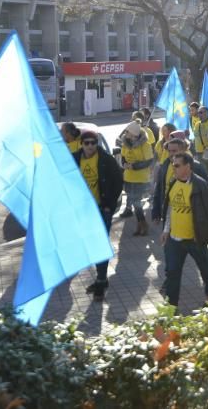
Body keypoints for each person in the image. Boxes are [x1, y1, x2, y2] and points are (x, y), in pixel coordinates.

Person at [159, 151, 208, 308]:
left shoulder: (200, 186)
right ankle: (171, 306)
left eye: (177, 165)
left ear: (187, 166)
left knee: (205, 269)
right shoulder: (173, 182)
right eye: (172, 165)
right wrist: (165, 230)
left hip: (195, 239)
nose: (173, 168)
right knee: (172, 273)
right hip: (174, 240)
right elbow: (170, 208)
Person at [73, 129, 123, 300]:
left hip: (102, 209)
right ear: (81, 144)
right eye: (86, 143)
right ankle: (101, 277)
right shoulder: (74, 159)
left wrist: (110, 204)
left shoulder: (106, 160)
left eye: (93, 143)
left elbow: (118, 182)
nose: (90, 146)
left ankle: (101, 280)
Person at [151, 133, 208, 221]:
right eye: (169, 151)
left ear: (184, 150)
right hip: (168, 211)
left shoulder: (196, 167)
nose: (171, 154)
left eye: (174, 151)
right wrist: (156, 212)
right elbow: (159, 189)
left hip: (190, 215)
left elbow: (205, 192)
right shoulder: (165, 165)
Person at [119, 121, 155, 236]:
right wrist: (124, 164)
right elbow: (123, 156)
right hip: (129, 177)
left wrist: (133, 166)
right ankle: (141, 224)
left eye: (128, 132)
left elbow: (148, 161)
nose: (126, 134)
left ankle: (143, 224)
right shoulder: (125, 143)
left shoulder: (146, 145)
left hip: (140, 178)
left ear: (134, 134)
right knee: (135, 202)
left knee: (136, 201)